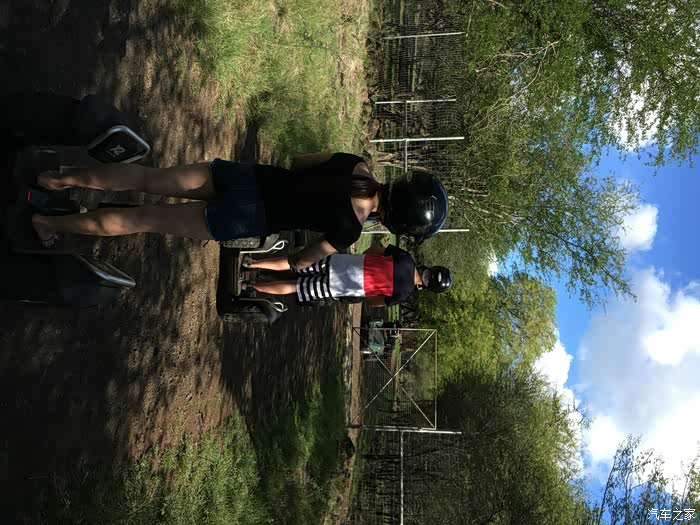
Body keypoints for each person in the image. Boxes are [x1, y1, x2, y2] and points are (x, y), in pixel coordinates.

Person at [30, 153, 449, 270]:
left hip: (245, 179)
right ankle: (48, 223)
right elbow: (299, 261)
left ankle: (56, 179)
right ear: (396, 222)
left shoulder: (355, 164)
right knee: (143, 219)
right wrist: (293, 262)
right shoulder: (348, 232)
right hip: (246, 218)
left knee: (146, 178)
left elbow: (299, 161)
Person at [245, 243, 452, 307]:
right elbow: (373, 303)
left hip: (342, 262)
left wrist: (361, 261)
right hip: (343, 286)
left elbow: (374, 249)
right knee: (295, 287)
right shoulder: (404, 293)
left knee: (295, 263)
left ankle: (251, 263)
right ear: (428, 288)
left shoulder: (406, 258)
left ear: (430, 268)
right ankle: (250, 286)